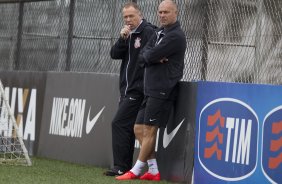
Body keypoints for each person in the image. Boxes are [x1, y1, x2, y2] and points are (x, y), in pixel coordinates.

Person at [116, 0, 187, 181]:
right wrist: (152, 56)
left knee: (149, 130)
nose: (162, 15)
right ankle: (154, 171)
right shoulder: (159, 32)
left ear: (175, 13)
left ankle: (136, 170)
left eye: (166, 12)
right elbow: (144, 55)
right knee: (138, 128)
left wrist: (151, 56)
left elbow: (149, 55)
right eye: (160, 12)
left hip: (163, 89)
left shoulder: (176, 36)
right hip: (150, 88)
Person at [104, 2, 156, 176]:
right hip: (126, 90)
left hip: (138, 90)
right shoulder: (128, 34)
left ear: (139, 15)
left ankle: (121, 166)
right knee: (128, 127)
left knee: (119, 123)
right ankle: (127, 166)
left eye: (131, 16)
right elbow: (114, 54)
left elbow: (151, 55)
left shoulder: (147, 31)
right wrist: (122, 39)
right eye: (125, 17)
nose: (128, 20)